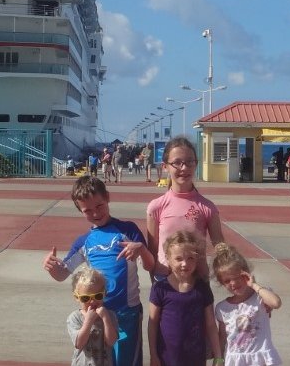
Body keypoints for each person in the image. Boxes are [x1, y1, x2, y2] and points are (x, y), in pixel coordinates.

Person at [43, 176, 156, 366]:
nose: (95, 213)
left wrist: (141, 249)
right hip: (96, 315)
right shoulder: (84, 241)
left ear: (108, 198)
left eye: (100, 206)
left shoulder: (127, 229)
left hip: (126, 312)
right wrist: (52, 268)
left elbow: (150, 265)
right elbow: (63, 273)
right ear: (80, 210)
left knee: (126, 361)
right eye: (88, 210)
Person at [147, 136, 226, 281]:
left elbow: (221, 249)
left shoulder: (207, 207)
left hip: (197, 282)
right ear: (165, 166)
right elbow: (152, 251)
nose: (184, 168)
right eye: (177, 162)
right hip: (164, 280)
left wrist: (233, 272)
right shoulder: (156, 207)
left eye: (190, 162)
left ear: (196, 164)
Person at [149, 230, 220, 366]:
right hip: (166, 357)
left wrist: (218, 356)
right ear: (168, 259)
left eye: (190, 258)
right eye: (179, 258)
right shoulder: (160, 288)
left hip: (195, 357)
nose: (185, 264)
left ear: (197, 259)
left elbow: (211, 324)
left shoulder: (202, 288)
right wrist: (153, 354)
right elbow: (152, 323)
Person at [212, 243, 283, 366]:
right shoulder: (222, 308)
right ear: (221, 283)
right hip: (235, 360)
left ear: (246, 274)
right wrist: (219, 359)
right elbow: (222, 337)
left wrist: (254, 285)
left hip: (261, 358)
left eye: (237, 277)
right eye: (227, 281)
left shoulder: (259, 297)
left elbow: (276, 303)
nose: (233, 283)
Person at [67, 265, 118, 366]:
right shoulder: (75, 317)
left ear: (105, 293)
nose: (92, 301)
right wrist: (88, 321)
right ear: (77, 297)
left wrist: (106, 318)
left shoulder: (110, 315)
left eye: (98, 296)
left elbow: (111, 341)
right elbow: (79, 343)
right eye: (85, 298)